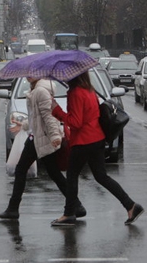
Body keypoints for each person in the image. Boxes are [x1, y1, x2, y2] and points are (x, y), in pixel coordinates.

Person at [51, 71, 144, 226]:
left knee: (72, 176)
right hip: (97, 139)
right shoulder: (89, 90)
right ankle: (131, 206)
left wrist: (56, 111)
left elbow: (75, 122)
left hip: (83, 141)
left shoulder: (75, 93)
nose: (64, 77)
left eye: (66, 75)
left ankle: (69, 213)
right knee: (102, 176)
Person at [0, 77, 86, 220]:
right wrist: (23, 125)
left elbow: (48, 116)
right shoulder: (35, 90)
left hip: (40, 138)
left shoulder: (41, 91)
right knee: (53, 173)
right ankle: (77, 205)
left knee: (22, 169)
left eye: (31, 73)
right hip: (38, 136)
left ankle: (13, 209)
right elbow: (34, 118)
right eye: (27, 73)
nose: (28, 76)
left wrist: (55, 136)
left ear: (40, 75)